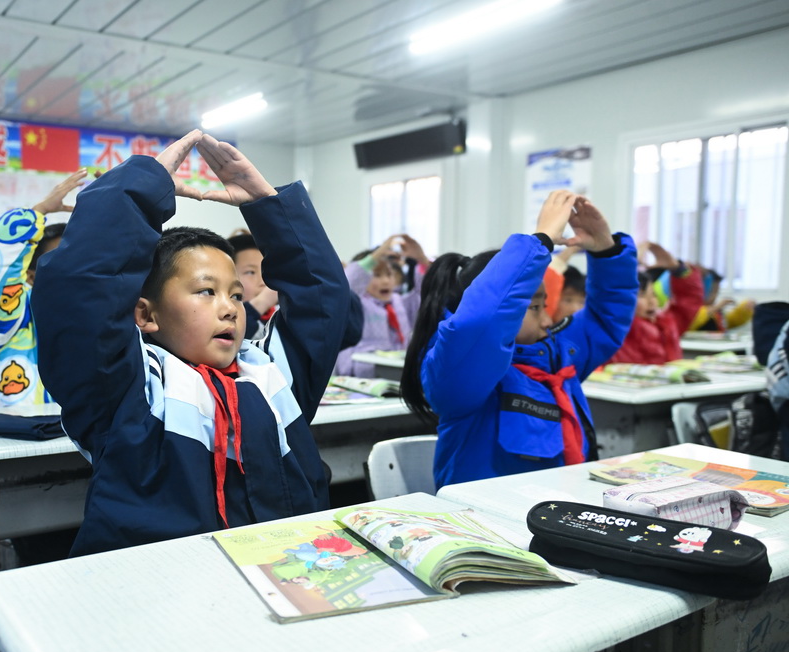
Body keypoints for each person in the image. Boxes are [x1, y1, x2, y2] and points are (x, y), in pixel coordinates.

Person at [32, 130, 354, 557]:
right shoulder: (127, 390)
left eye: (236, 295)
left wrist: (269, 207)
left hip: (284, 571)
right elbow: (78, 291)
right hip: (166, 592)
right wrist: (138, 189)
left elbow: (321, 301)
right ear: (146, 314)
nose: (230, 309)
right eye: (206, 291)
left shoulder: (270, 376)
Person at [399, 191, 638, 487]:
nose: (548, 320)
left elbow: (606, 318)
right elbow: (482, 322)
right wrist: (540, 241)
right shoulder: (460, 367)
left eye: (545, 305)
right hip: (485, 522)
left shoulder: (557, 352)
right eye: (534, 307)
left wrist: (605, 251)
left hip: (559, 510)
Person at [0, 169, 87, 406]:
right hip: (31, 436)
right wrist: (38, 211)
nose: (77, 270)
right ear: (31, 277)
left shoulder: (111, 315)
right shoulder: (16, 322)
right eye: (63, 260)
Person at [335, 234, 429, 378]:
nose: (386, 281)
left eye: (389, 274)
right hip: (359, 373)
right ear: (364, 277)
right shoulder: (356, 301)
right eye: (377, 275)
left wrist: (422, 259)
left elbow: (428, 293)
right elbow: (349, 283)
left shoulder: (400, 302)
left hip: (396, 371)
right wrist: (376, 255)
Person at [609, 242, 703, 365]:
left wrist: (678, 269)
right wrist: (627, 265)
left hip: (669, 383)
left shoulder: (668, 323)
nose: (651, 301)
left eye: (653, 294)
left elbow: (689, 300)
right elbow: (608, 295)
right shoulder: (616, 328)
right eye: (642, 295)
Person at [227, 231, 278, 340]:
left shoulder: (281, 313)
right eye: (251, 272)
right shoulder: (224, 314)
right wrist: (261, 302)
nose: (263, 281)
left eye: (266, 271)